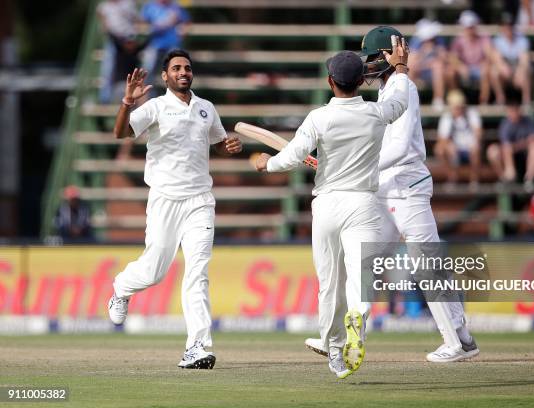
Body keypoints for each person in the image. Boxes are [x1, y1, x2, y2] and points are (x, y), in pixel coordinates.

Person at [304, 26, 479, 364]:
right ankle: (341, 338)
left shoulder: (403, 88)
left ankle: (456, 343)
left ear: (390, 55)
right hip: (388, 190)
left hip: (407, 189)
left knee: (427, 264)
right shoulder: (387, 90)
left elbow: (397, 148)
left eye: (374, 57)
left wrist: (355, 165)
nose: (368, 65)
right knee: (361, 262)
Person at [253, 40, 410, 379]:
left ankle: (335, 351)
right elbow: (400, 102)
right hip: (363, 203)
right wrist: (400, 68)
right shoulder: (375, 113)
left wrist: (268, 164)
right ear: (362, 81)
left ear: (330, 81)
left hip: (327, 204)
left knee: (330, 282)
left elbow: (293, 157)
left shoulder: (319, 117)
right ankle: (359, 317)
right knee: (360, 277)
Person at [107, 49, 243, 370]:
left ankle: (197, 346)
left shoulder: (205, 109)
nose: (183, 72)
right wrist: (127, 103)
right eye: (176, 68)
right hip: (165, 199)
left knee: (198, 272)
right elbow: (120, 133)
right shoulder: (155, 107)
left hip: (199, 201)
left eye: (187, 68)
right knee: (154, 270)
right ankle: (121, 288)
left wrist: (230, 147)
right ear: (165, 76)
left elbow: (218, 145)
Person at [486, 92, 534, 191]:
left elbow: (533, 139)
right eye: (511, 110)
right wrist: (521, 143)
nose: (513, 113)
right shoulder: (505, 124)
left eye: (515, 110)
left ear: (519, 110)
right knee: (493, 151)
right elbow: (505, 144)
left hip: (524, 153)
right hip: (509, 154)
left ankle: (529, 180)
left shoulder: (528, 121)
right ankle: (506, 179)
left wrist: (518, 145)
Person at [434, 89, 482, 187]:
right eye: (456, 106)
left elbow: (478, 131)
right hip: (455, 150)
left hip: (470, 148)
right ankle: (452, 177)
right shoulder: (447, 117)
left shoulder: (471, 113)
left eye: (460, 106)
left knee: (476, 148)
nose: (458, 108)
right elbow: (442, 139)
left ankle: (474, 180)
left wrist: (475, 143)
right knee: (439, 150)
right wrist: (449, 145)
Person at [141, 0, 190, 92]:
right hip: (154, 44)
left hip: (173, 44)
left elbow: (186, 22)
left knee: (178, 71)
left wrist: (183, 30)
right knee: (146, 71)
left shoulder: (176, 6)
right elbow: (142, 24)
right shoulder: (149, 6)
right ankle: (147, 99)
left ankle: (177, 97)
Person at [96, 0, 140, 103]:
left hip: (127, 40)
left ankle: (133, 97)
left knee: (132, 70)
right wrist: (105, 24)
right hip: (113, 40)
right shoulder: (105, 6)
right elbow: (100, 13)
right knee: (108, 69)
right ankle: (105, 99)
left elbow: (136, 18)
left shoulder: (128, 3)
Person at [449, 10, 494, 104]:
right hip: (466, 68)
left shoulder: (484, 37)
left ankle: (483, 102)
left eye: (471, 26)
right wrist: (461, 66)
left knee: (486, 70)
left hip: (480, 68)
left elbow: (490, 54)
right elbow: (453, 58)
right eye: (467, 27)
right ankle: (457, 101)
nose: (469, 29)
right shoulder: (458, 40)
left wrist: (486, 63)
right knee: (451, 71)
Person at [491, 12, 532, 105]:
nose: (507, 28)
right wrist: (503, 67)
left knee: (526, 71)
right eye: (504, 25)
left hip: (518, 68)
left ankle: (526, 101)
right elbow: (496, 58)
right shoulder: (497, 40)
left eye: (509, 25)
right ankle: (500, 98)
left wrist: (520, 70)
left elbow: (524, 59)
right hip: (505, 70)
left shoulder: (522, 39)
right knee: (494, 72)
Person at [408, 19, 447, 110]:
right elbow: (411, 63)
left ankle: (438, 99)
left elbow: (444, 58)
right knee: (411, 69)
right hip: (420, 70)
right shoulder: (416, 41)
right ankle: (412, 100)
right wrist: (424, 53)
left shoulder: (438, 40)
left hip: (434, 71)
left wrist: (436, 51)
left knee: (438, 66)